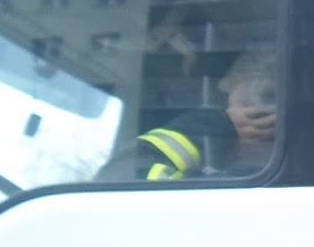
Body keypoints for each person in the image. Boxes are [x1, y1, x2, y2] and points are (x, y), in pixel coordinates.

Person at [102, 51, 276, 181]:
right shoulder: (205, 141)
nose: (272, 108)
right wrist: (214, 129)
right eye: (269, 94)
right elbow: (120, 186)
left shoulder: (285, 166)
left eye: (282, 101)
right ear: (229, 84)